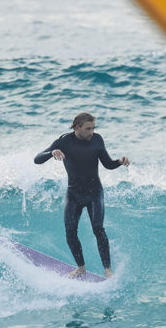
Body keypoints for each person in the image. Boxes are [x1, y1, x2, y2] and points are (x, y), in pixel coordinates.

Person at [34, 112, 130, 279]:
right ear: (77, 127)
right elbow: (37, 159)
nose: (91, 132)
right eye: (88, 128)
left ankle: (107, 270)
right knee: (70, 231)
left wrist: (119, 162)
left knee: (98, 229)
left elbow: (107, 164)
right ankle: (81, 268)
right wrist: (51, 153)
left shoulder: (97, 140)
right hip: (74, 194)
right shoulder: (64, 141)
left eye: (93, 128)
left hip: (95, 193)